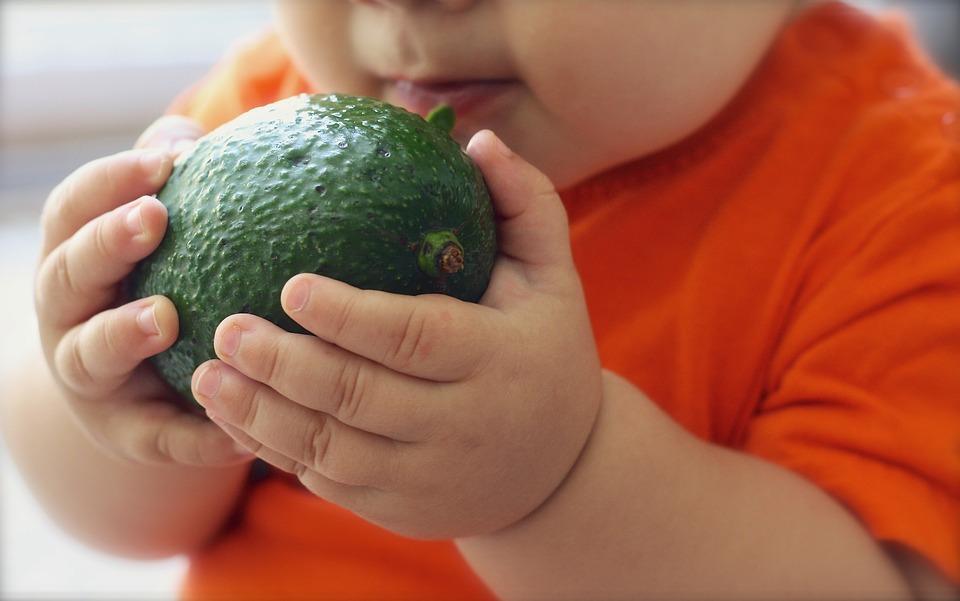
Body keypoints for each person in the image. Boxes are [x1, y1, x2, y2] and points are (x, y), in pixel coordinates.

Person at [3, 0, 958, 599]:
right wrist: (110, 378)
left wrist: (557, 481)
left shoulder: (904, 199)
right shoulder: (277, 113)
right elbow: (129, 524)